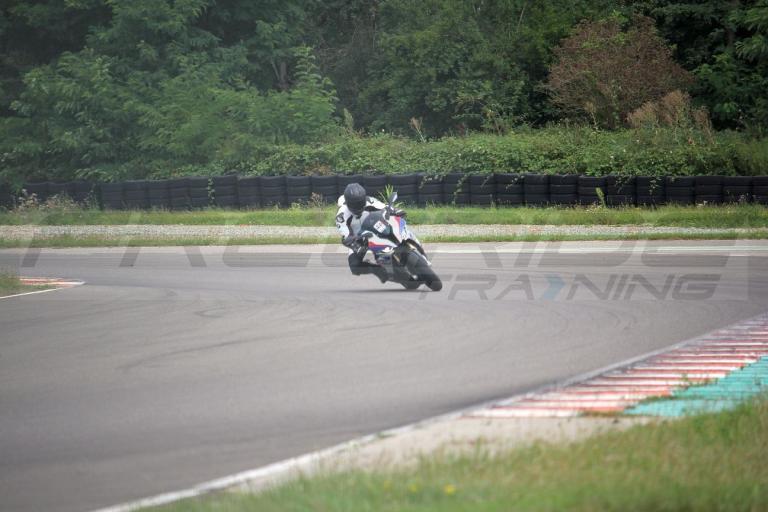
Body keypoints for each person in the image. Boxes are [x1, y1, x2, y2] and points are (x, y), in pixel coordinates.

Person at [335, 182, 403, 283]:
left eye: (360, 202)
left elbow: (384, 207)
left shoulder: (369, 200)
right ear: (348, 202)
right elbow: (346, 234)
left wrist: (394, 210)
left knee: (394, 229)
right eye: (354, 204)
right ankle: (377, 270)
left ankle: (406, 243)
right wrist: (351, 241)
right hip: (358, 239)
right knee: (354, 267)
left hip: (376, 229)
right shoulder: (341, 215)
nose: (358, 206)